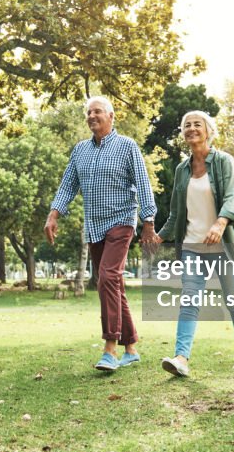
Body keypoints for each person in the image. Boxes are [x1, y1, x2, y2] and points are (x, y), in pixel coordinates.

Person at [45, 96, 158, 371]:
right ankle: (131, 346)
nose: (92, 116)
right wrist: (53, 214)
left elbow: (143, 183)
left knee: (108, 276)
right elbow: (68, 184)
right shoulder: (80, 150)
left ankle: (110, 348)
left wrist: (148, 221)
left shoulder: (127, 146)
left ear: (111, 116)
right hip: (94, 224)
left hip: (122, 219)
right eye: (88, 112)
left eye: (98, 111)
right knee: (112, 283)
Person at [152, 110, 234, 375]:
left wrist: (220, 223)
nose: (191, 129)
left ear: (208, 130)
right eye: (187, 125)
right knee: (189, 300)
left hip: (223, 245)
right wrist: (160, 236)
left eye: (197, 124)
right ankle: (181, 359)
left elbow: (232, 198)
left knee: (233, 299)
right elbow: (176, 213)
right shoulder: (181, 170)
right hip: (192, 246)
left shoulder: (224, 161)